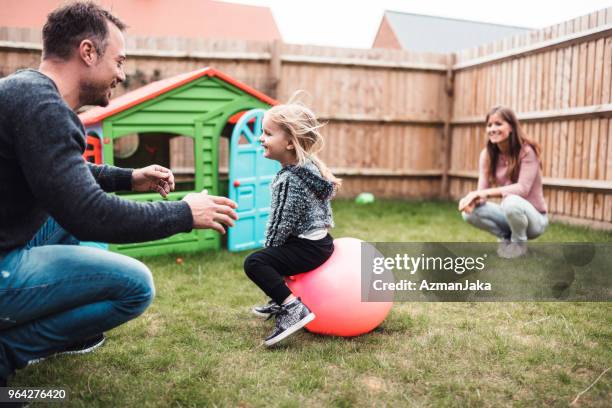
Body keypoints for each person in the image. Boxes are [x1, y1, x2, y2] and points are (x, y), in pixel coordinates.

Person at [0, 1, 238, 388]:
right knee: (135, 287)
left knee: (68, 215)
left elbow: (63, 176)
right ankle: (8, 351)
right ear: (88, 52)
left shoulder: (25, 91)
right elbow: (89, 214)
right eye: (119, 61)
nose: (122, 75)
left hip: (9, 240)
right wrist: (184, 213)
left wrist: (129, 177)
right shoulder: (42, 106)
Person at [243, 99, 341, 346]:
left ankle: (292, 309)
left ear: (289, 142)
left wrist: (270, 249)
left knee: (256, 262)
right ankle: (281, 301)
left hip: (308, 248)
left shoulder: (289, 179)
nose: (261, 138)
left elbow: (280, 223)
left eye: (267, 133)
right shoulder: (307, 167)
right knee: (275, 258)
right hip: (321, 243)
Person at [458, 106, 548, 258]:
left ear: (512, 127)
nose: (492, 129)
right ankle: (506, 239)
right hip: (510, 214)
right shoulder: (487, 155)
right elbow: (482, 194)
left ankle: (519, 245)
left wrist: (481, 193)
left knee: (511, 201)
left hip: (535, 220)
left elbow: (522, 188)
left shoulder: (527, 151)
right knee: (469, 214)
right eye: (489, 125)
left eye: (498, 124)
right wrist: (471, 201)